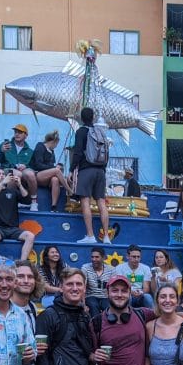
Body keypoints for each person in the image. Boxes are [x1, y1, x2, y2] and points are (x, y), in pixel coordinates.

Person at [71, 107, 110, 244]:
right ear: (93, 117)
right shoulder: (100, 132)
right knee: (101, 202)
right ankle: (106, 236)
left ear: (81, 118)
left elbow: (78, 152)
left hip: (86, 169)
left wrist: (71, 169)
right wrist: (103, 169)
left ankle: (90, 235)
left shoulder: (81, 131)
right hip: (100, 170)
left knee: (85, 201)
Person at [0, 167, 35, 262]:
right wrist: (3, 183)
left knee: (30, 236)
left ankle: (22, 263)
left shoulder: (13, 192)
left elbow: (28, 200)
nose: (2, 176)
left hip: (13, 229)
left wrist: (20, 185)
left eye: (3, 174)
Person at [0, 123, 38, 208]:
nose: (17, 134)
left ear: (26, 135)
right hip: (6, 171)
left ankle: (34, 203)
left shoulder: (30, 151)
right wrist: (1, 151)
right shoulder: (5, 145)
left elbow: (34, 166)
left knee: (30, 174)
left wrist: (26, 166)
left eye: (20, 132)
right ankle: (11, 201)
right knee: (17, 174)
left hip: (22, 175)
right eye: (15, 132)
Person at [30, 129, 74, 212]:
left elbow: (51, 166)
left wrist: (55, 167)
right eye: (57, 144)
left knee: (55, 179)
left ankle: (54, 206)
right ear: (54, 142)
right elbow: (38, 164)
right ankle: (69, 190)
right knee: (56, 171)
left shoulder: (52, 152)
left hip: (47, 177)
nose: (56, 146)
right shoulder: (40, 146)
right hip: (37, 174)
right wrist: (53, 168)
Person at [114, 244, 154, 309]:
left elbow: (146, 288)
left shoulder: (146, 268)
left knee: (148, 297)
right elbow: (120, 286)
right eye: (134, 257)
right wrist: (131, 292)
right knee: (127, 297)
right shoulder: (119, 268)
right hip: (127, 294)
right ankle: (126, 317)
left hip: (141, 295)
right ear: (127, 256)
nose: (136, 259)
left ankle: (153, 317)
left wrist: (141, 293)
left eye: (138, 257)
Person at [82, 246, 114, 316]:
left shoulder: (111, 270)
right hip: (90, 296)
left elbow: (113, 288)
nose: (94, 259)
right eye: (92, 257)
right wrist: (83, 305)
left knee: (108, 308)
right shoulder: (85, 268)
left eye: (97, 257)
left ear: (103, 258)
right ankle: (95, 325)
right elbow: (82, 288)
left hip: (105, 297)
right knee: (93, 305)